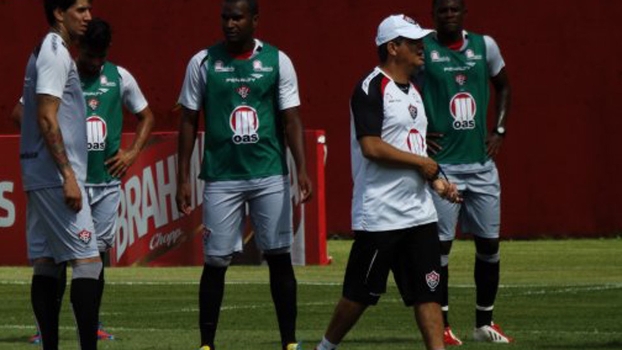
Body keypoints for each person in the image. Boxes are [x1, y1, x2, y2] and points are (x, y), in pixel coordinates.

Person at [315, 14, 461, 350]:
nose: (421, 48)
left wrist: (437, 180)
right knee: (359, 294)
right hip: (380, 215)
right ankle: (325, 348)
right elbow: (372, 146)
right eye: (413, 43)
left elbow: (414, 146)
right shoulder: (370, 88)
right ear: (392, 47)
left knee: (429, 291)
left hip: (419, 214)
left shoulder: (413, 92)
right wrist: (424, 162)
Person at [175, 0, 312, 349]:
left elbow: (291, 118)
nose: (230, 24)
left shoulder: (278, 61)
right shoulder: (202, 61)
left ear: (254, 20)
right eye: (225, 17)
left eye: (237, 17)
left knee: (279, 256)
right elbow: (189, 120)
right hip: (221, 178)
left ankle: (289, 342)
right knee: (215, 261)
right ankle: (207, 343)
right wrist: (183, 178)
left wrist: (302, 168)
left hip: (269, 174)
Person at [14, 17, 156, 344]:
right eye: (90, 56)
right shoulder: (59, 62)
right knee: (79, 258)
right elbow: (26, 112)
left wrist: (132, 153)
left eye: (100, 57)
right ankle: (65, 332)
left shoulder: (118, 77)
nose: (95, 63)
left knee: (90, 254)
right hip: (67, 178)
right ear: (80, 49)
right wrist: (47, 144)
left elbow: (146, 115)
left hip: (102, 180)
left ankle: (89, 324)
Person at [420, 0, 513, 345]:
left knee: (489, 245)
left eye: (454, 10)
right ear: (433, 15)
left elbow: (503, 86)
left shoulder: (484, 45)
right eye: (442, 11)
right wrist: (417, 132)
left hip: (481, 166)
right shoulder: (423, 48)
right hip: (444, 168)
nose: (448, 16)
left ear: (464, 13)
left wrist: (499, 130)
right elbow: (403, 89)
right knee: (440, 249)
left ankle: (484, 324)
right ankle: (442, 326)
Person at [18, 0, 100, 349]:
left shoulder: (45, 49)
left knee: (48, 262)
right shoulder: (55, 51)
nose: (88, 16)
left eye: (88, 9)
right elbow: (46, 117)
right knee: (89, 264)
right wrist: (66, 173)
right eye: (80, 9)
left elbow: (20, 113)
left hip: (40, 172)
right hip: (55, 176)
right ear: (58, 13)